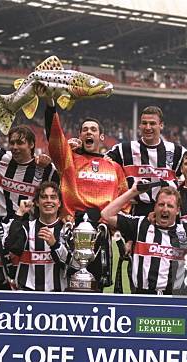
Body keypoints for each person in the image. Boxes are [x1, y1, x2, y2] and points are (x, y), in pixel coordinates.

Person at [44, 106, 129, 289]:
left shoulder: (115, 167)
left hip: (102, 233)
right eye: (84, 130)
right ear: (80, 136)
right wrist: (50, 105)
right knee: (69, 283)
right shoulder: (69, 160)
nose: (88, 132)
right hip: (72, 231)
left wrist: (116, 228)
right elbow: (55, 136)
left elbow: (125, 202)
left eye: (93, 129)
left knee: (97, 285)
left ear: (102, 137)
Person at [101, 183, 187, 294]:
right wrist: (133, 192)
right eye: (161, 204)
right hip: (144, 297)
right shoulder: (140, 225)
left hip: (176, 299)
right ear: (154, 207)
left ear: (178, 210)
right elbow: (106, 214)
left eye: (170, 206)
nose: (165, 209)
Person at [106, 106, 186, 217]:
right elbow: (101, 165)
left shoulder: (178, 151)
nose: (148, 127)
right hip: (135, 212)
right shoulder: (124, 149)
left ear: (161, 125)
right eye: (144, 123)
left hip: (166, 211)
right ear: (139, 125)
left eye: (152, 123)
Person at [5, 182, 70, 291]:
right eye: (44, 197)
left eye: (53, 197)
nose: (48, 200)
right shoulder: (27, 227)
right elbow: (10, 245)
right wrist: (20, 213)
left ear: (59, 203)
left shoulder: (66, 230)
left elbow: (72, 267)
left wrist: (55, 245)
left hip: (57, 295)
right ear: (37, 203)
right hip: (28, 294)